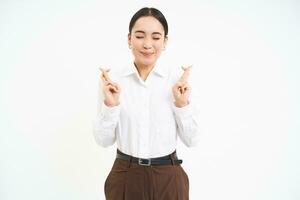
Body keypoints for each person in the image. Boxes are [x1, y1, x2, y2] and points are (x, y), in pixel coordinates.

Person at [93, 7, 200, 200]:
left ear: (165, 41)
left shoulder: (178, 81)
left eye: (156, 37)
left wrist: (182, 104)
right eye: (140, 36)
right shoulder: (112, 81)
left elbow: (192, 140)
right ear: (129, 39)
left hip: (168, 177)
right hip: (125, 175)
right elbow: (103, 141)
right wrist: (111, 106)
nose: (148, 44)